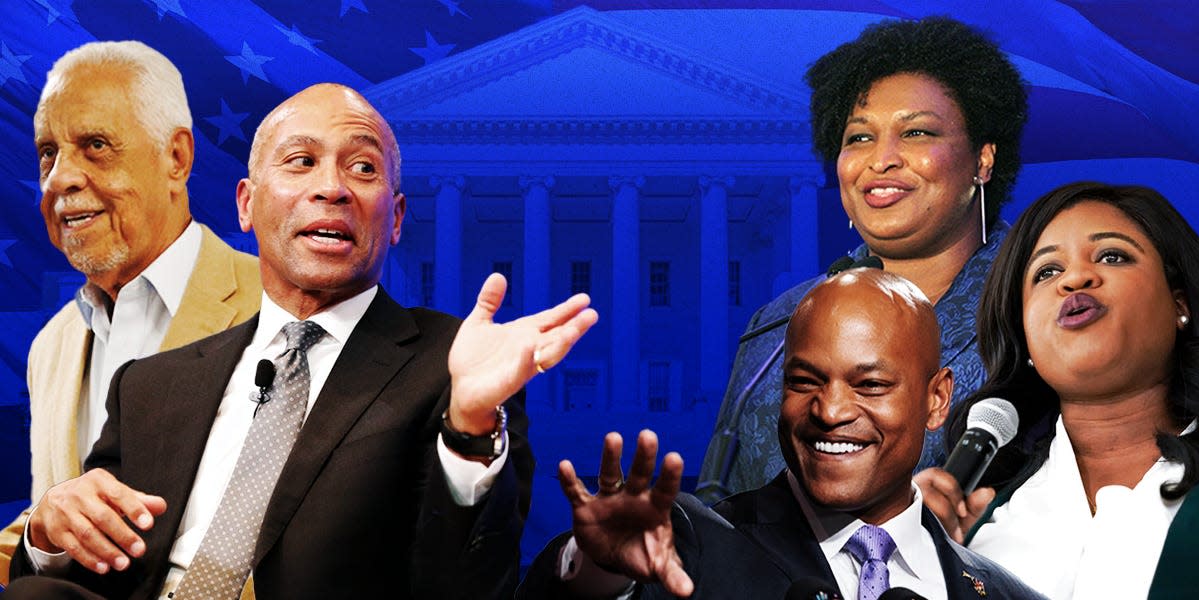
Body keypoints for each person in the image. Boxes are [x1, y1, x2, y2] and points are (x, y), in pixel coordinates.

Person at [4, 83, 598, 599]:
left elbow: (464, 585)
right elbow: (86, 568)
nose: (332, 188)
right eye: (300, 162)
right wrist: (47, 532)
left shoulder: (454, 368)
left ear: (393, 219)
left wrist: (469, 425)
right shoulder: (151, 385)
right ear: (246, 204)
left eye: (363, 168)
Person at [519, 269, 1043, 599]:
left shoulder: (1001, 592)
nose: (831, 410)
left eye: (871, 384)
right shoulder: (690, 547)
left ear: (937, 400)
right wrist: (596, 575)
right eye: (805, 382)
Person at [698, 17, 1028, 503]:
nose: (881, 160)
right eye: (858, 137)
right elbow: (722, 514)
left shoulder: (1041, 307)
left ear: (983, 160)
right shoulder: (776, 328)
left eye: (916, 133)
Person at [0, 41, 262, 582]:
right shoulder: (52, 345)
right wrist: (41, 532)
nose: (58, 179)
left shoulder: (279, 307)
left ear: (177, 158)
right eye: (48, 152)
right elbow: (58, 527)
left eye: (95, 145)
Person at [919, 182, 1199, 600]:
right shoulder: (974, 539)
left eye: (1112, 256)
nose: (1075, 278)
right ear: (1025, 337)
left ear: (1181, 305)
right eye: (1047, 272)